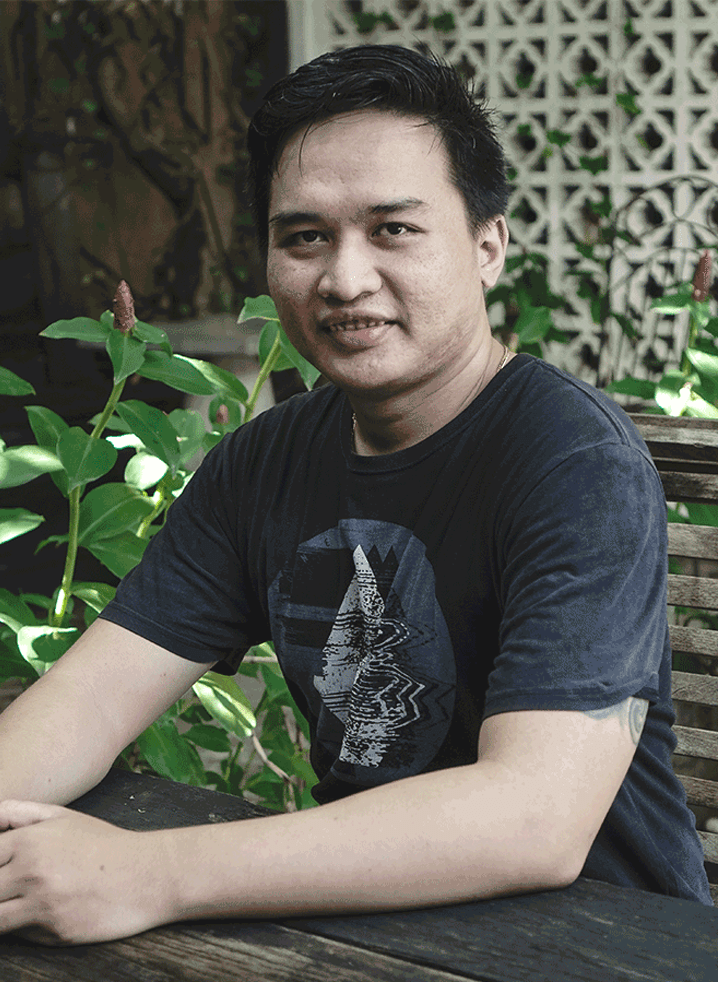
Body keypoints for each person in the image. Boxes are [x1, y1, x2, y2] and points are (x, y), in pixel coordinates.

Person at [0, 45, 711, 946]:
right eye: (304, 237)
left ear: (487, 245)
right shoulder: (262, 464)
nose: (343, 279)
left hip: (605, 942)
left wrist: (148, 873)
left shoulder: (573, 459)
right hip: (369, 926)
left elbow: (534, 815)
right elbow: (94, 699)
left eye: (393, 230)